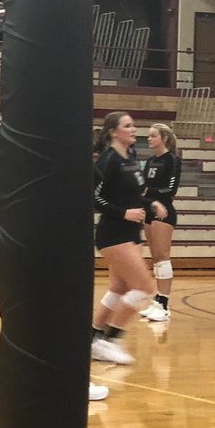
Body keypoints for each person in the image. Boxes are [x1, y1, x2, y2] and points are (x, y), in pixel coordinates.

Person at [91, 111, 164, 367]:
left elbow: (133, 193)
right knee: (145, 288)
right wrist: (123, 213)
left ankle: (94, 336)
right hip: (113, 233)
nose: (134, 129)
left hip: (132, 232)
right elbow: (93, 197)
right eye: (128, 126)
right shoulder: (108, 160)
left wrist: (150, 202)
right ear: (114, 132)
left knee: (119, 288)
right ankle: (110, 341)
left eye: (133, 125)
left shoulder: (131, 157)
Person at [140, 122, 181, 322]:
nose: (149, 138)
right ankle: (157, 301)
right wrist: (148, 198)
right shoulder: (149, 161)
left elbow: (171, 190)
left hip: (164, 212)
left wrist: (151, 194)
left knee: (163, 257)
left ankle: (164, 305)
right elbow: (143, 189)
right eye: (148, 135)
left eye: (153, 135)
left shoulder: (172, 160)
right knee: (155, 257)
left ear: (163, 138)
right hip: (149, 210)